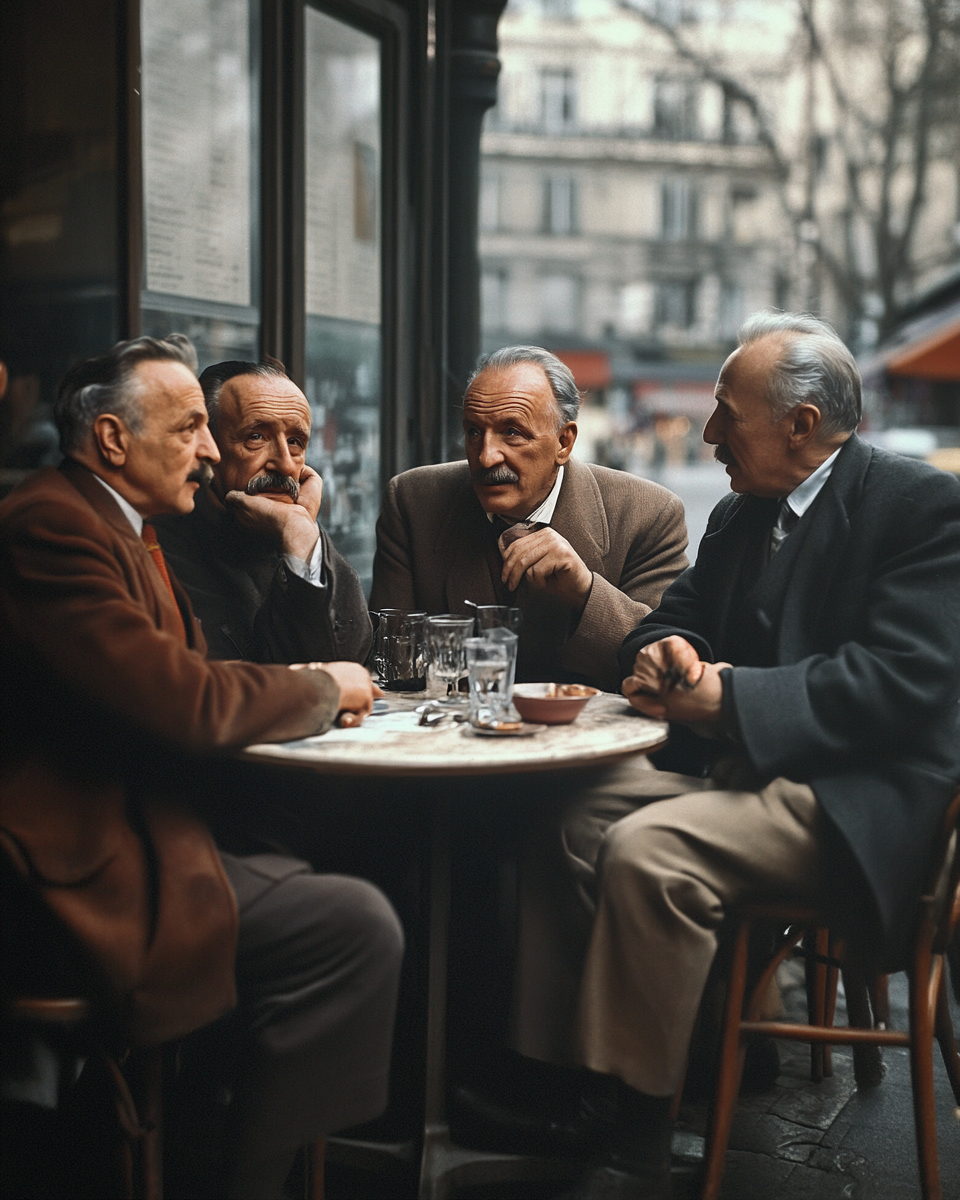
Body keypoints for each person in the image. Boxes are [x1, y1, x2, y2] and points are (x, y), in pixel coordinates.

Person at [547, 311, 960, 1200]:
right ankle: (670, 1055)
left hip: (860, 801)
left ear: (800, 425)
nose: (706, 433)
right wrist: (668, 656)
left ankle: (635, 1140)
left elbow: (899, 685)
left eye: (726, 412)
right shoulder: (741, 513)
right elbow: (669, 621)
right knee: (575, 812)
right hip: (748, 776)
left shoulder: (919, 505)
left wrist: (727, 697)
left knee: (651, 853)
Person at [0, 334, 402, 1200]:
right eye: (194, 428)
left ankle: (227, 1139)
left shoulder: (119, 523)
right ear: (112, 440)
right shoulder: (55, 527)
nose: (214, 452)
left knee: (360, 885)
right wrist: (320, 688)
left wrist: (303, 553)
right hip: (75, 866)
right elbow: (186, 698)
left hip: (151, 827)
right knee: (355, 926)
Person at [369, 346, 689, 693]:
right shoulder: (414, 501)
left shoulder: (649, 514)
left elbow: (663, 667)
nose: (486, 457)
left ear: (564, 443)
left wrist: (585, 591)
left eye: (512, 432)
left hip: (587, 741)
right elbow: (390, 659)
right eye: (474, 431)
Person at [153, 357, 371, 664]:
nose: (284, 463)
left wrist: (301, 531)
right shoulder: (160, 548)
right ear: (208, 447)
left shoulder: (291, 528)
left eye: (295, 442)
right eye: (256, 436)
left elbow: (347, 658)